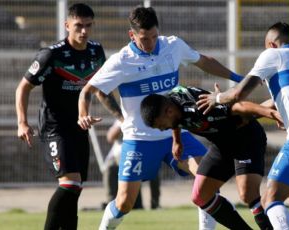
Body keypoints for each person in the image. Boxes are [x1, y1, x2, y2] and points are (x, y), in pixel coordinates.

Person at [77, 6, 246, 230]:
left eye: (154, 36)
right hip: (140, 140)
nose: (151, 43)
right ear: (132, 35)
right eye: (144, 38)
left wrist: (238, 78)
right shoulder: (122, 61)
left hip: (177, 131)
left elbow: (203, 61)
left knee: (207, 181)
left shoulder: (172, 46)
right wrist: (91, 115)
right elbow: (90, 90)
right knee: (125, 202)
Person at [197, 22, 289, 230]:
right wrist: (253, 114)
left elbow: (239, 93)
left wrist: (218, 97)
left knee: (270, 199)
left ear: (270, 44)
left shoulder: (272, 55)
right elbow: (281, 99)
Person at [15, 3, 108, 229]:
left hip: (79, 128)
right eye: (78, 26)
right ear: (67, 25)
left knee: (75, 189)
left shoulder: (96, 52)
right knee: (70, 183)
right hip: (55, 128)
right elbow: (23, 88)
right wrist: (22, 123)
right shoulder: (52, 55)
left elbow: (101, 88)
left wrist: (121, 117)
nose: (84, 31)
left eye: (88, 26)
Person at [140, 85, 283, 229]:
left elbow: (241, 106)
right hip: (222, 144)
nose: (161, 129)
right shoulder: (171, 104)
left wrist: (271, 113)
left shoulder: (201, 108)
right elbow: (175, 121)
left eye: (161, 125)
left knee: (248, 194)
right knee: (200, 195)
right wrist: (177, 141)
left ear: (169, 112)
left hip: (246, 139)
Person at [103, 120, 161, 210]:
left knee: (153, 170)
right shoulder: (122, 118)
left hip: (142, 153)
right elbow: (110, 137)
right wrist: (122, 125)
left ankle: (155, 204)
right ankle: (111, 203)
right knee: (110, 166)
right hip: (119, 155)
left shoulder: (145, 119)